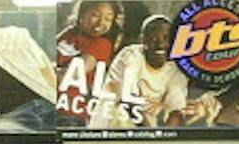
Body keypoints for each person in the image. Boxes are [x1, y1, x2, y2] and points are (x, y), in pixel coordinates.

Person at [93, 15, 221, 129]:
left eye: (166, 39)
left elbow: (176, 109)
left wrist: (168, 139)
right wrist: (152, 135)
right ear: (143, 41)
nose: (161, 44)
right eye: (154, 39)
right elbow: (129, 100)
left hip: (144, 133)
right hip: (109, 125)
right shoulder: (131, 55)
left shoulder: (176, 68)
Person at [55, 0, 121, 125]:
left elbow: (69, 76)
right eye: (95, 15)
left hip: (69, 113)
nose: (101, 23)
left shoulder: (102, 44)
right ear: (82, 15)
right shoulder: (69, 33)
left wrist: (48, 71)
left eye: (108, 19)